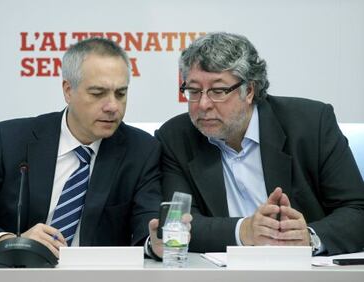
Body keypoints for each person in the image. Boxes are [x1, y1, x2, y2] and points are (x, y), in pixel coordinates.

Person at [0, 37, 164, 259]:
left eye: (121, 94)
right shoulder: (12, 141)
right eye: (98, 93)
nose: (113, 106)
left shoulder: (141, 150)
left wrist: (154, 243)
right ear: (68, 90)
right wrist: (11, 242)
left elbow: (148, 225)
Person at [155, 32, 364, 255]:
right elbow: (178, 222)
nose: (203, 104)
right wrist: (244, 231)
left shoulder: (311, 124)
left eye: (218, 91)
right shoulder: (175, 137)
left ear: (249, 91)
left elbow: (357, 210)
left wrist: (307, 238)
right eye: (194, 91)